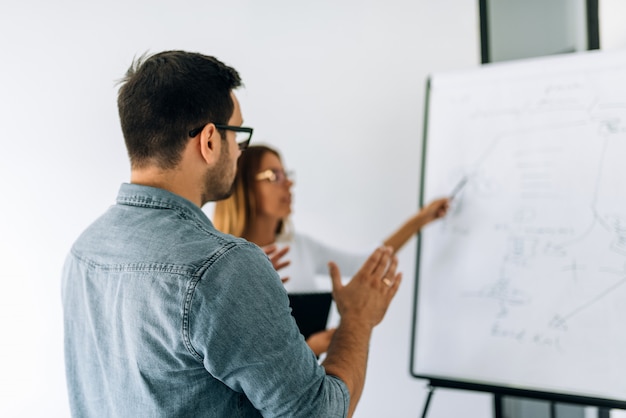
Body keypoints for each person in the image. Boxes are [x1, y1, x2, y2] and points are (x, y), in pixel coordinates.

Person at [61, 50, 401, 418]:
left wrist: (242, 290)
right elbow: (318, 413)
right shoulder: (224, 268)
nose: (239, 152)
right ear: (209, 141)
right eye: (238, 135)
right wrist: (358, 319)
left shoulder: (84, 251)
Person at [213, 144, 450, 293]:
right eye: (274, 176)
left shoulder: (300, 247)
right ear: (244, 188)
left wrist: (421, 219)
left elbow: (365, 264)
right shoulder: (222, 262)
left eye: (287, 174)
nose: (289, 183)